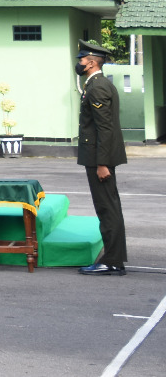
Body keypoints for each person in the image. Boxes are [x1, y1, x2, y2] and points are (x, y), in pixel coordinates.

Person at [75, 39, 128, 275]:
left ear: (92, 63)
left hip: (99, 158)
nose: (79, 62)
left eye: (82, 59)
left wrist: (102, 163)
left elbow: (104, 127)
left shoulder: (97, 87)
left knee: (107, 208)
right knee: (108, 207)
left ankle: (113, 261)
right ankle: (114, 258)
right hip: (98, 156)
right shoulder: (96, 84)